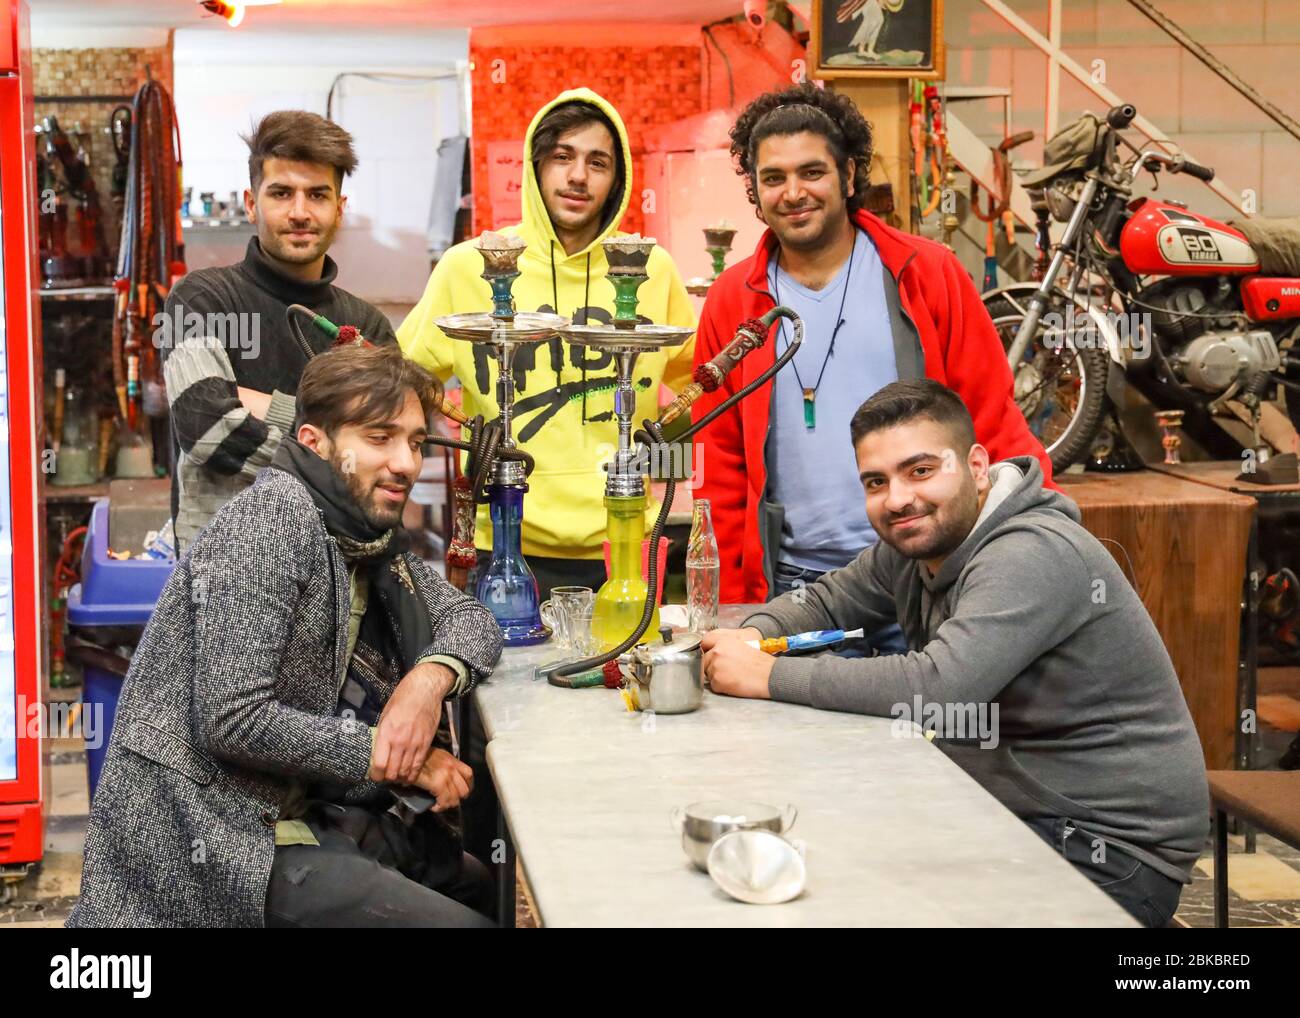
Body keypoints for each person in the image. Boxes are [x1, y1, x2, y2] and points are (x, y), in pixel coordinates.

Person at [701, 379, 1209, 928]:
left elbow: (937, 688)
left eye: (920, 470)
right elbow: (827, 598)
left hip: (1105, 850)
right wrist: (750, 637)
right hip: (1012, 811)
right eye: (877, 481)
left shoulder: (1030, 552)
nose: (897, 498)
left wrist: (767, 675)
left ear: (977, 466)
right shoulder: (920, 541)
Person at [69, 344, 503, 928]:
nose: (405, 462)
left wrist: (426, 683)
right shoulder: (273, 519)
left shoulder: (364, 538)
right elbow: (234, 719)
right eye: (379, 438)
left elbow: (473, 619)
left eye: (417, 442)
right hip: (214, 832)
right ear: (313, 442)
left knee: (477, 885)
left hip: (298, 810)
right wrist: (391, 755)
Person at [693, 84, 1051, 628]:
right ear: (756, 191)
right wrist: (730, 603)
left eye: (812, 172)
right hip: (794, 591)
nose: (793, 193)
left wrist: (1042, 537)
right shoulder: (733, 299)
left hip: (926, 575)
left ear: (849, 176)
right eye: (773, 178)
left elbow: (990, 419)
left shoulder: (927, 274)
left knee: (930, 713)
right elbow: (719, 461)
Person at [399, 88, 697, 598]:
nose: (578, 176)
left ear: (617, 178)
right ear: (536, 169)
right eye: (562, 157)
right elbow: (401, 378)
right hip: (505, 542)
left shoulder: (651, 268)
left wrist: (669, 481)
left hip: (625, 541)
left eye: (597, 162)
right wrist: (450, 422)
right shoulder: (470, 265)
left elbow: (695, 388)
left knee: (624, 677)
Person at [161, 110, 396, 555]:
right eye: (282, 193)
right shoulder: (200, 301)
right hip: (225, 578)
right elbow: (210, 431)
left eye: (318, 195)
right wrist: (335, 439)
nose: (300, 212)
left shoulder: (366, 326)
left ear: (339, 209)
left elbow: (387, 457)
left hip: (340, 581)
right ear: (252, 203)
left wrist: (258, 405)